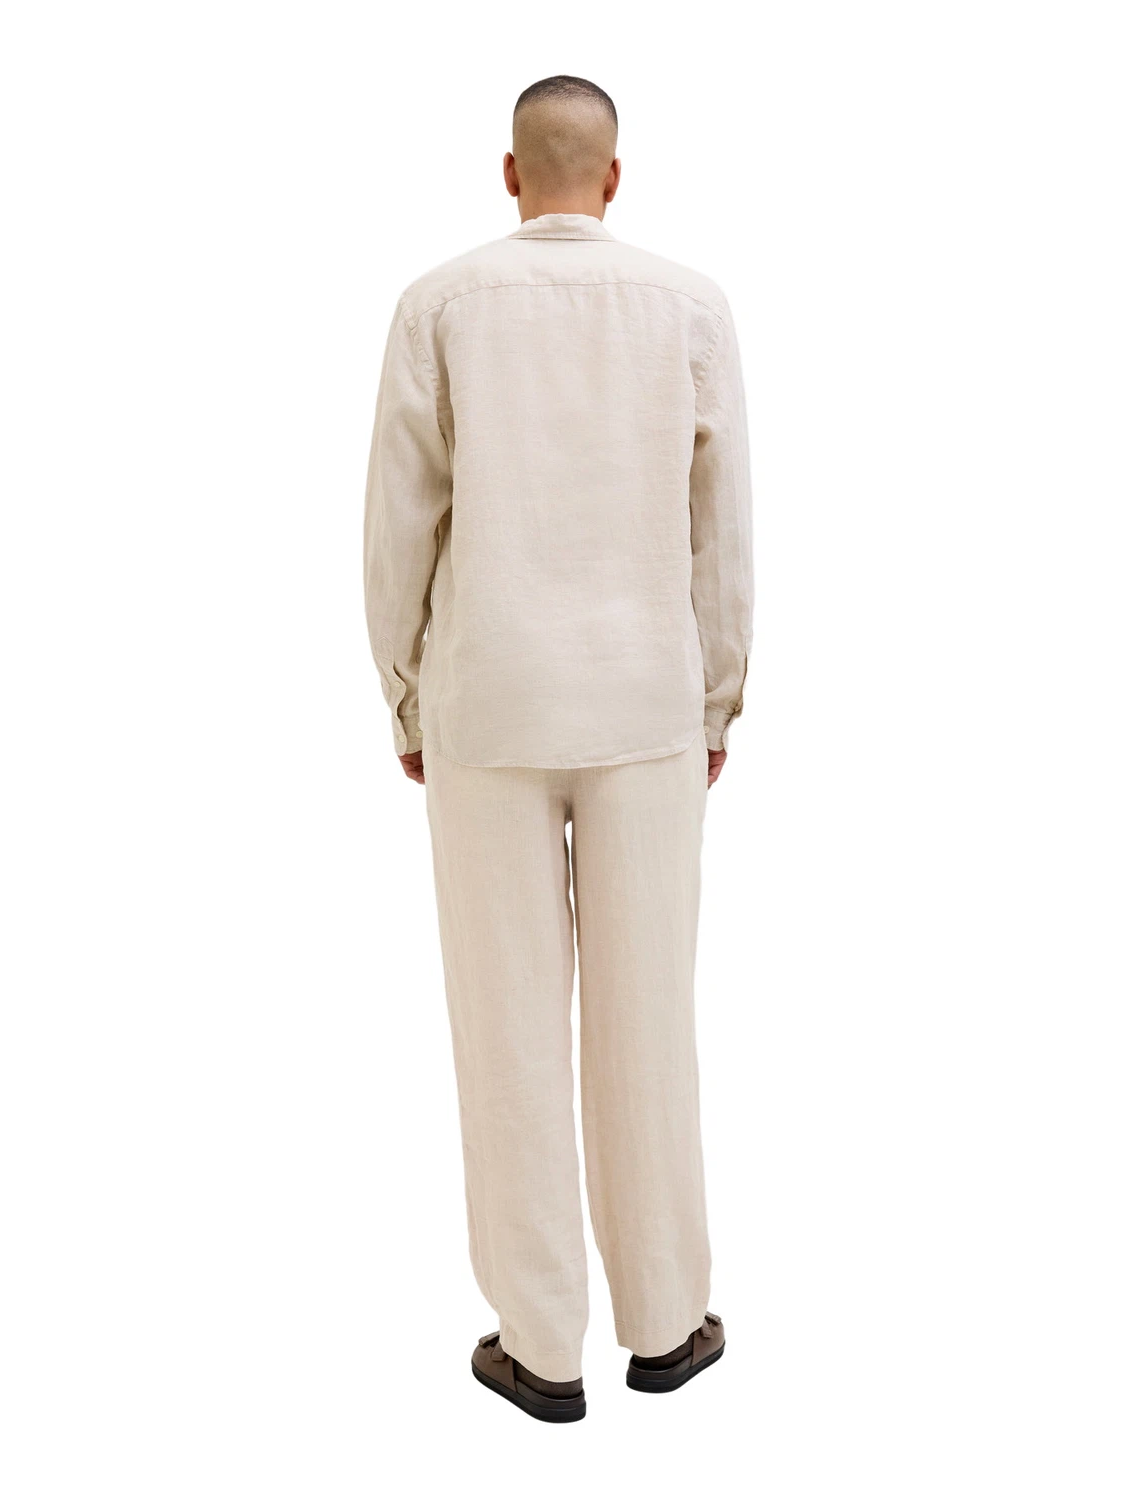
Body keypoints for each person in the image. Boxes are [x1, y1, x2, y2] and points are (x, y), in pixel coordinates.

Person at [364, 75, 752, 1422]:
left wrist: (407, 696)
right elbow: (722, 527)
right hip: (643, 703)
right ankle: (667, 1324)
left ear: (510, 172)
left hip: (490, 698)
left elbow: (398, 522)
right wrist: (716, 700)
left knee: (506, 1025)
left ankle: (539, 1349)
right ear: (616, 176)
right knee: (650, 1019)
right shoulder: (689, 306)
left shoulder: (440, 304)